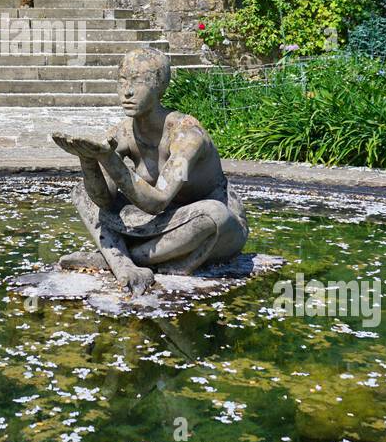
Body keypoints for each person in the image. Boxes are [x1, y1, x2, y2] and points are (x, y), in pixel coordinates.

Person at [51, 47, 249, 296]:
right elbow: (103, 200)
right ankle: (124, 264)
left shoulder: (187, 134)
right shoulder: (123, 132)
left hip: (208, 227)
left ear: (160, 87)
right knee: (81, 192)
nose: (128, 91)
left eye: (139, 82)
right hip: (157, 225)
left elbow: (158, 201)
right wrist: (88, 160)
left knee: (213, 214)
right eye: (122, 81)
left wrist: (109, 159)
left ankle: (116, 256)